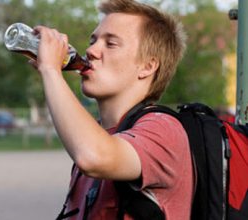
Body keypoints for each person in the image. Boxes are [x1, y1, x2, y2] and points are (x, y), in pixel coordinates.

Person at [29, 0, 193, 219]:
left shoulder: (164, 130)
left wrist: (50, 69)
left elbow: (93, 157)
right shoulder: (96, 135)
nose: (91, 51)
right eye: (93, 40)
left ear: (147, 66)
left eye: (111, 44)